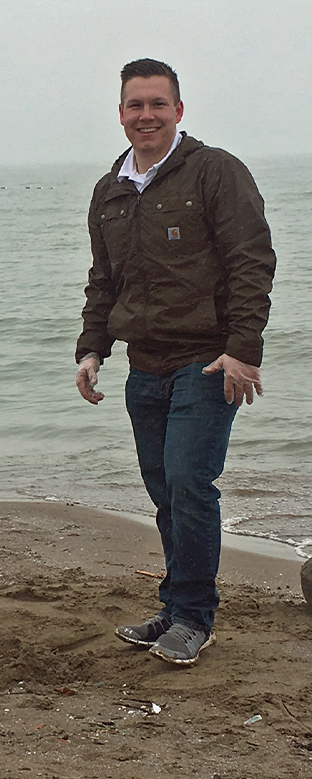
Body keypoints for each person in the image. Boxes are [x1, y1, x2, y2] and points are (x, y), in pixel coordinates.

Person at [75, 58, 276, 666]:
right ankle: (174, 605)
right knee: (164, 491)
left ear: (179, 111)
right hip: (145, 365)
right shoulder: (110, 191)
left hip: (208, 360)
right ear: (120, 114)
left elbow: (251, 261)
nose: (146, 116)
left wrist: (244, 351)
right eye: (135, 105)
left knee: (191, 484)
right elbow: (103, 280)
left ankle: (194, 617)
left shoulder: (215, 171)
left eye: (157, 104)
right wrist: (91, 349)